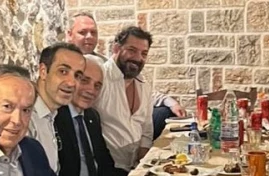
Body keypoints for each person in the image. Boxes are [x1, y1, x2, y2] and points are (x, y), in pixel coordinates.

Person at [65, 12, 185, 140]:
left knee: (165, 113)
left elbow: (148, 108)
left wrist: (171, 102)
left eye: (93, 32)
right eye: (82, 32)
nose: (89, 37)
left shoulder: (136, 80)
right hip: (107, 147)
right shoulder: (101, 72)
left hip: (135, 144)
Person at [54, 54, 129, 176]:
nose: (91, 90)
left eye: (97, 86)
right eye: (85, 80)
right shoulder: (55, 117)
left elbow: (104, 161)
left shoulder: (92, 116)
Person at [93, 26, 155, 170]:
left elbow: (147, 129)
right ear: (116, 48)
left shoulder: (144, 85)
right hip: (108, 169)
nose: (138, 58)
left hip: (136, 168)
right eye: (132, 50)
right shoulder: (99, 78)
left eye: (144, 53)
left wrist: (143, 162)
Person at [31, 42, 86, 171]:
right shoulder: (26, 118)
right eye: (63, 71)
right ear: (43, 71)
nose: (71, 83)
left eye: (77, 76)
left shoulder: (52, 115)